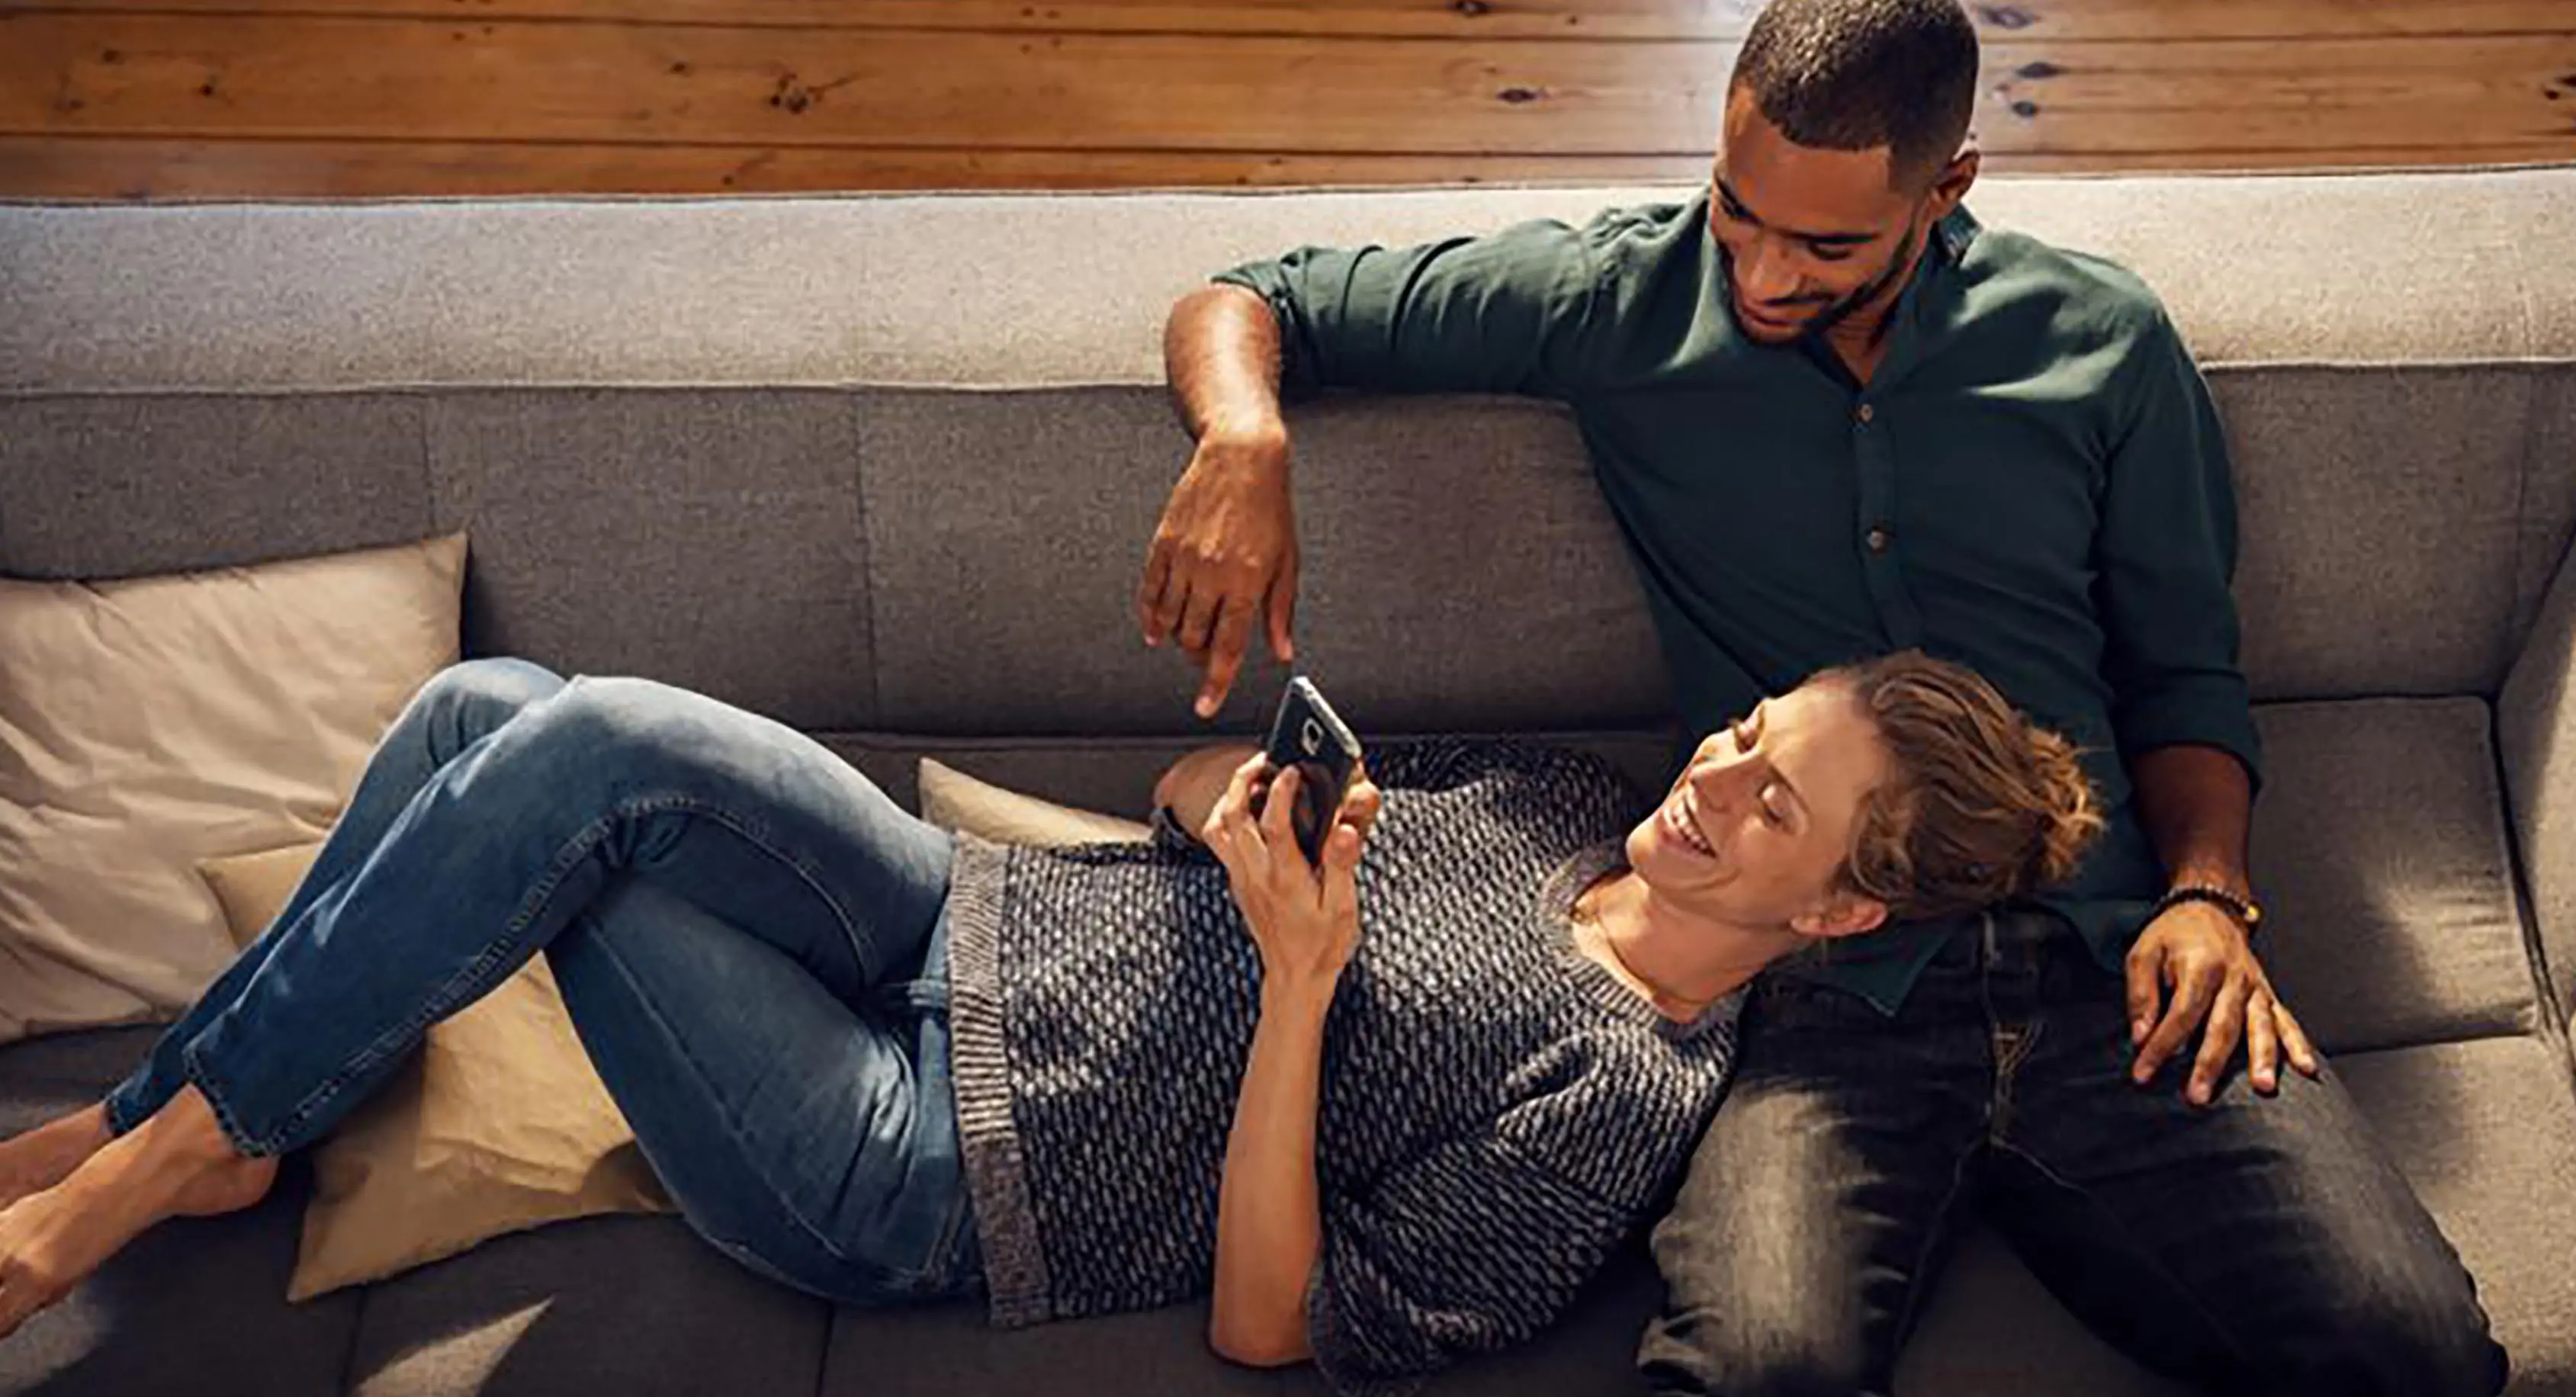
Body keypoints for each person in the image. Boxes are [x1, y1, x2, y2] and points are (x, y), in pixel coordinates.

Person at [1135, 0, 2511, 1392]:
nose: (1761, 270)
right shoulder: (1618, 301)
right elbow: (1251, 298)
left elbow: (2186, 678)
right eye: (1740, 209)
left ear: (1949, 186)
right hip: (1819, 1004)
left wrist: (2210, 896)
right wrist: (1243, 434)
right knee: (1754, 1369)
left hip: (2112, 977)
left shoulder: (2104, 343)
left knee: (2421, 1354)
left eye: (1826, 246)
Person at [0, 649, 2100, 1392]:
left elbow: (1275, 1325)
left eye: (1770, 801)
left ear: (1836, 905)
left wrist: (1298, 995)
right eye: (1749, 729)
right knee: (501, 714)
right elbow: (1188, 809)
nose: (1714, 780)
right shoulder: (1561, 790)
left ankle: (152, 1164)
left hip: (918, 1165)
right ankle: (195, 1117)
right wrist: (1253, 820)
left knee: (582, 784)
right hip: (958, 919)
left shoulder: (1628, 1095)